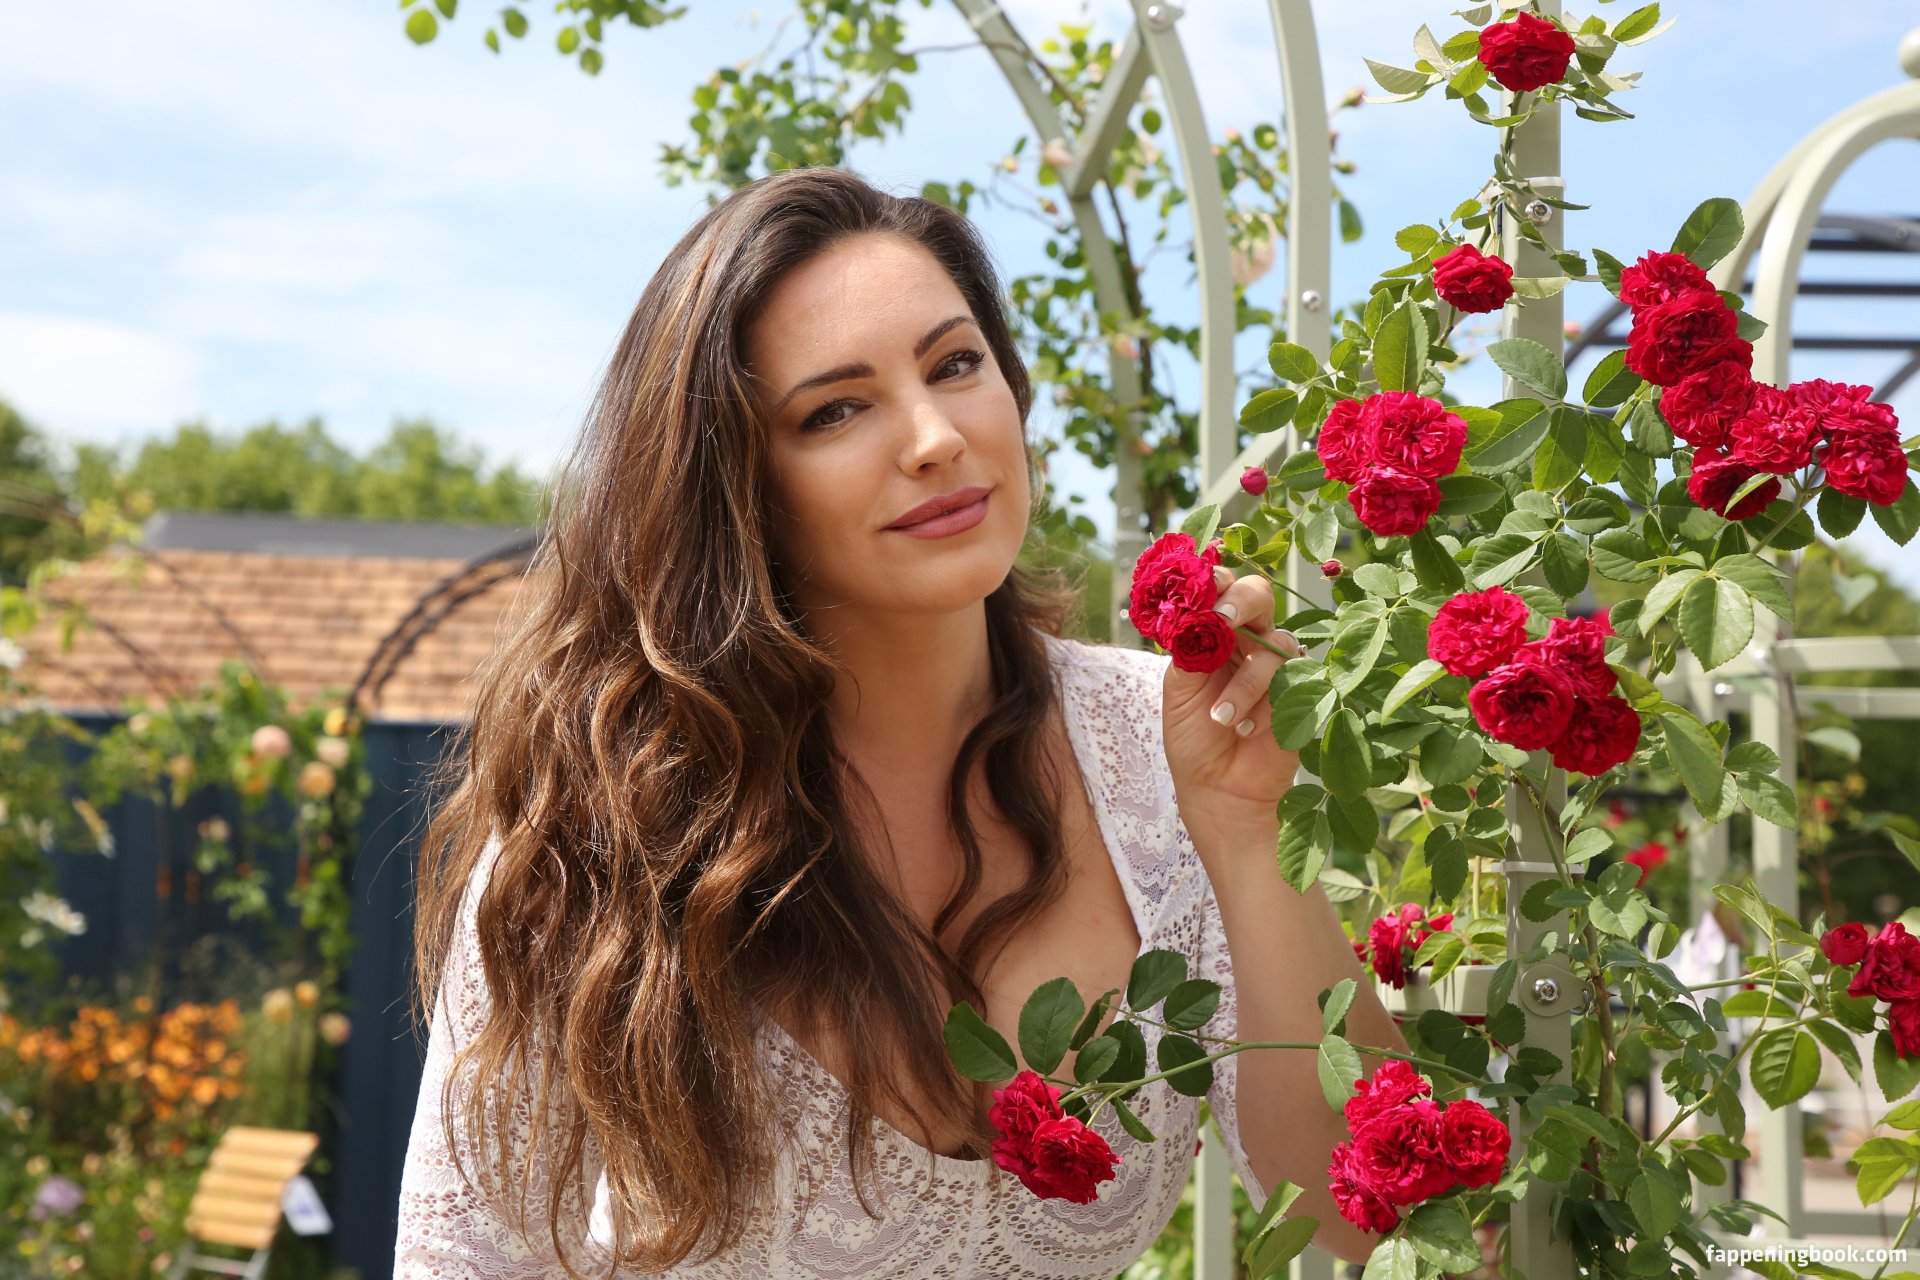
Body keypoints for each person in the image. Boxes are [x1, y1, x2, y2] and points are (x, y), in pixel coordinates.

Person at [394, 165, 1405, 1277]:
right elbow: (463, 1258)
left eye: (955, 364)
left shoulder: (1164, 749)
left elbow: (1360, 1215)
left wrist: (1250, 836)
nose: (933, 436)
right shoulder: (604, 822)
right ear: (735, 486)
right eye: (835, 409)